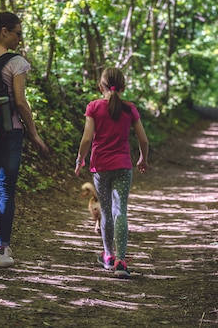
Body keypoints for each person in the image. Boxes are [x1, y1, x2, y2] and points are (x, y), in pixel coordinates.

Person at [0, 11, 49, 267]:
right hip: (9, 133)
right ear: (4, 31)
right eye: (17, 34)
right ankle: (1, 251)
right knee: (5, 190)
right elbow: (21, 103)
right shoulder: (16, 62)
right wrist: (34, 133)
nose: (19, 40)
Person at [74, 67, 149, 278]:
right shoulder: (129, 109)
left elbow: (87, 139)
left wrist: (80, 159)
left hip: (101, 167)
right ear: (123, 87)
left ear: (100, 86)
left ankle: (108, 256)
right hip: (123, 166)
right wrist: (143, 158)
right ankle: (121, 261)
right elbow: (143, 139)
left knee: (106, 211)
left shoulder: (94, 107)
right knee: (121, 211)